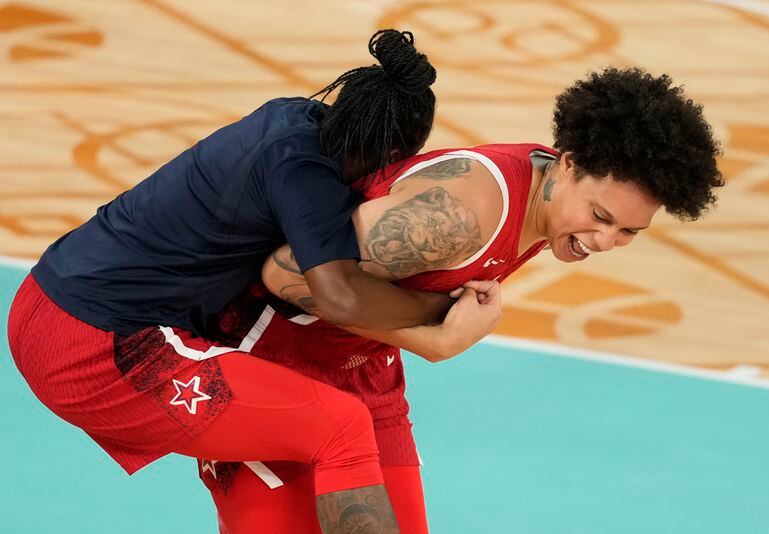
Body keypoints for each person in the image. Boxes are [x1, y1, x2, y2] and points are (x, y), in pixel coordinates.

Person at [6, 29, 497, 534]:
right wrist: (442, 311)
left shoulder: (289, 117)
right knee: (343, 428)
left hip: (42, 300)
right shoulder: (307, 179)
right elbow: (341, 296)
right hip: (97, 344)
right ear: (394, 153)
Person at [195, 67, 725, 533]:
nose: (605, 241)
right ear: (566, 164)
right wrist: (436, 336)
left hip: (364, 375)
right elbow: (286, 276)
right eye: (602, 218)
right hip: (271, 365)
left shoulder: (557, 204)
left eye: (630, 231)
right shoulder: (461, 214)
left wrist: (427, 332)